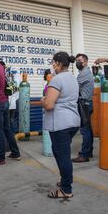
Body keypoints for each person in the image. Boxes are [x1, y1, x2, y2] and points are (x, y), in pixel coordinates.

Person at [41, 52, 80, 199]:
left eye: (53, 62)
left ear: (58, 63)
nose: (52, 65)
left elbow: (49, 104)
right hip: (72, 122)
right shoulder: (72, 78)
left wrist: (43, 99)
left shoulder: (56, 80)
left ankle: (66, 189)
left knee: (63, 155)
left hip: (60, 123)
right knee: (58, 152)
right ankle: (65, 181)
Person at [72, 53, 95, 163]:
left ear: (85, 62)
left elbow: (74, 88)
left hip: (84, 104)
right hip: (87, 103)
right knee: (88, 129)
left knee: (84, 130)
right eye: (76, 60)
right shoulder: (85, 72)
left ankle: (84, 154)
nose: (77, 62)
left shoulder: (84, 73)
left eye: (79, 60)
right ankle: (88, 152)